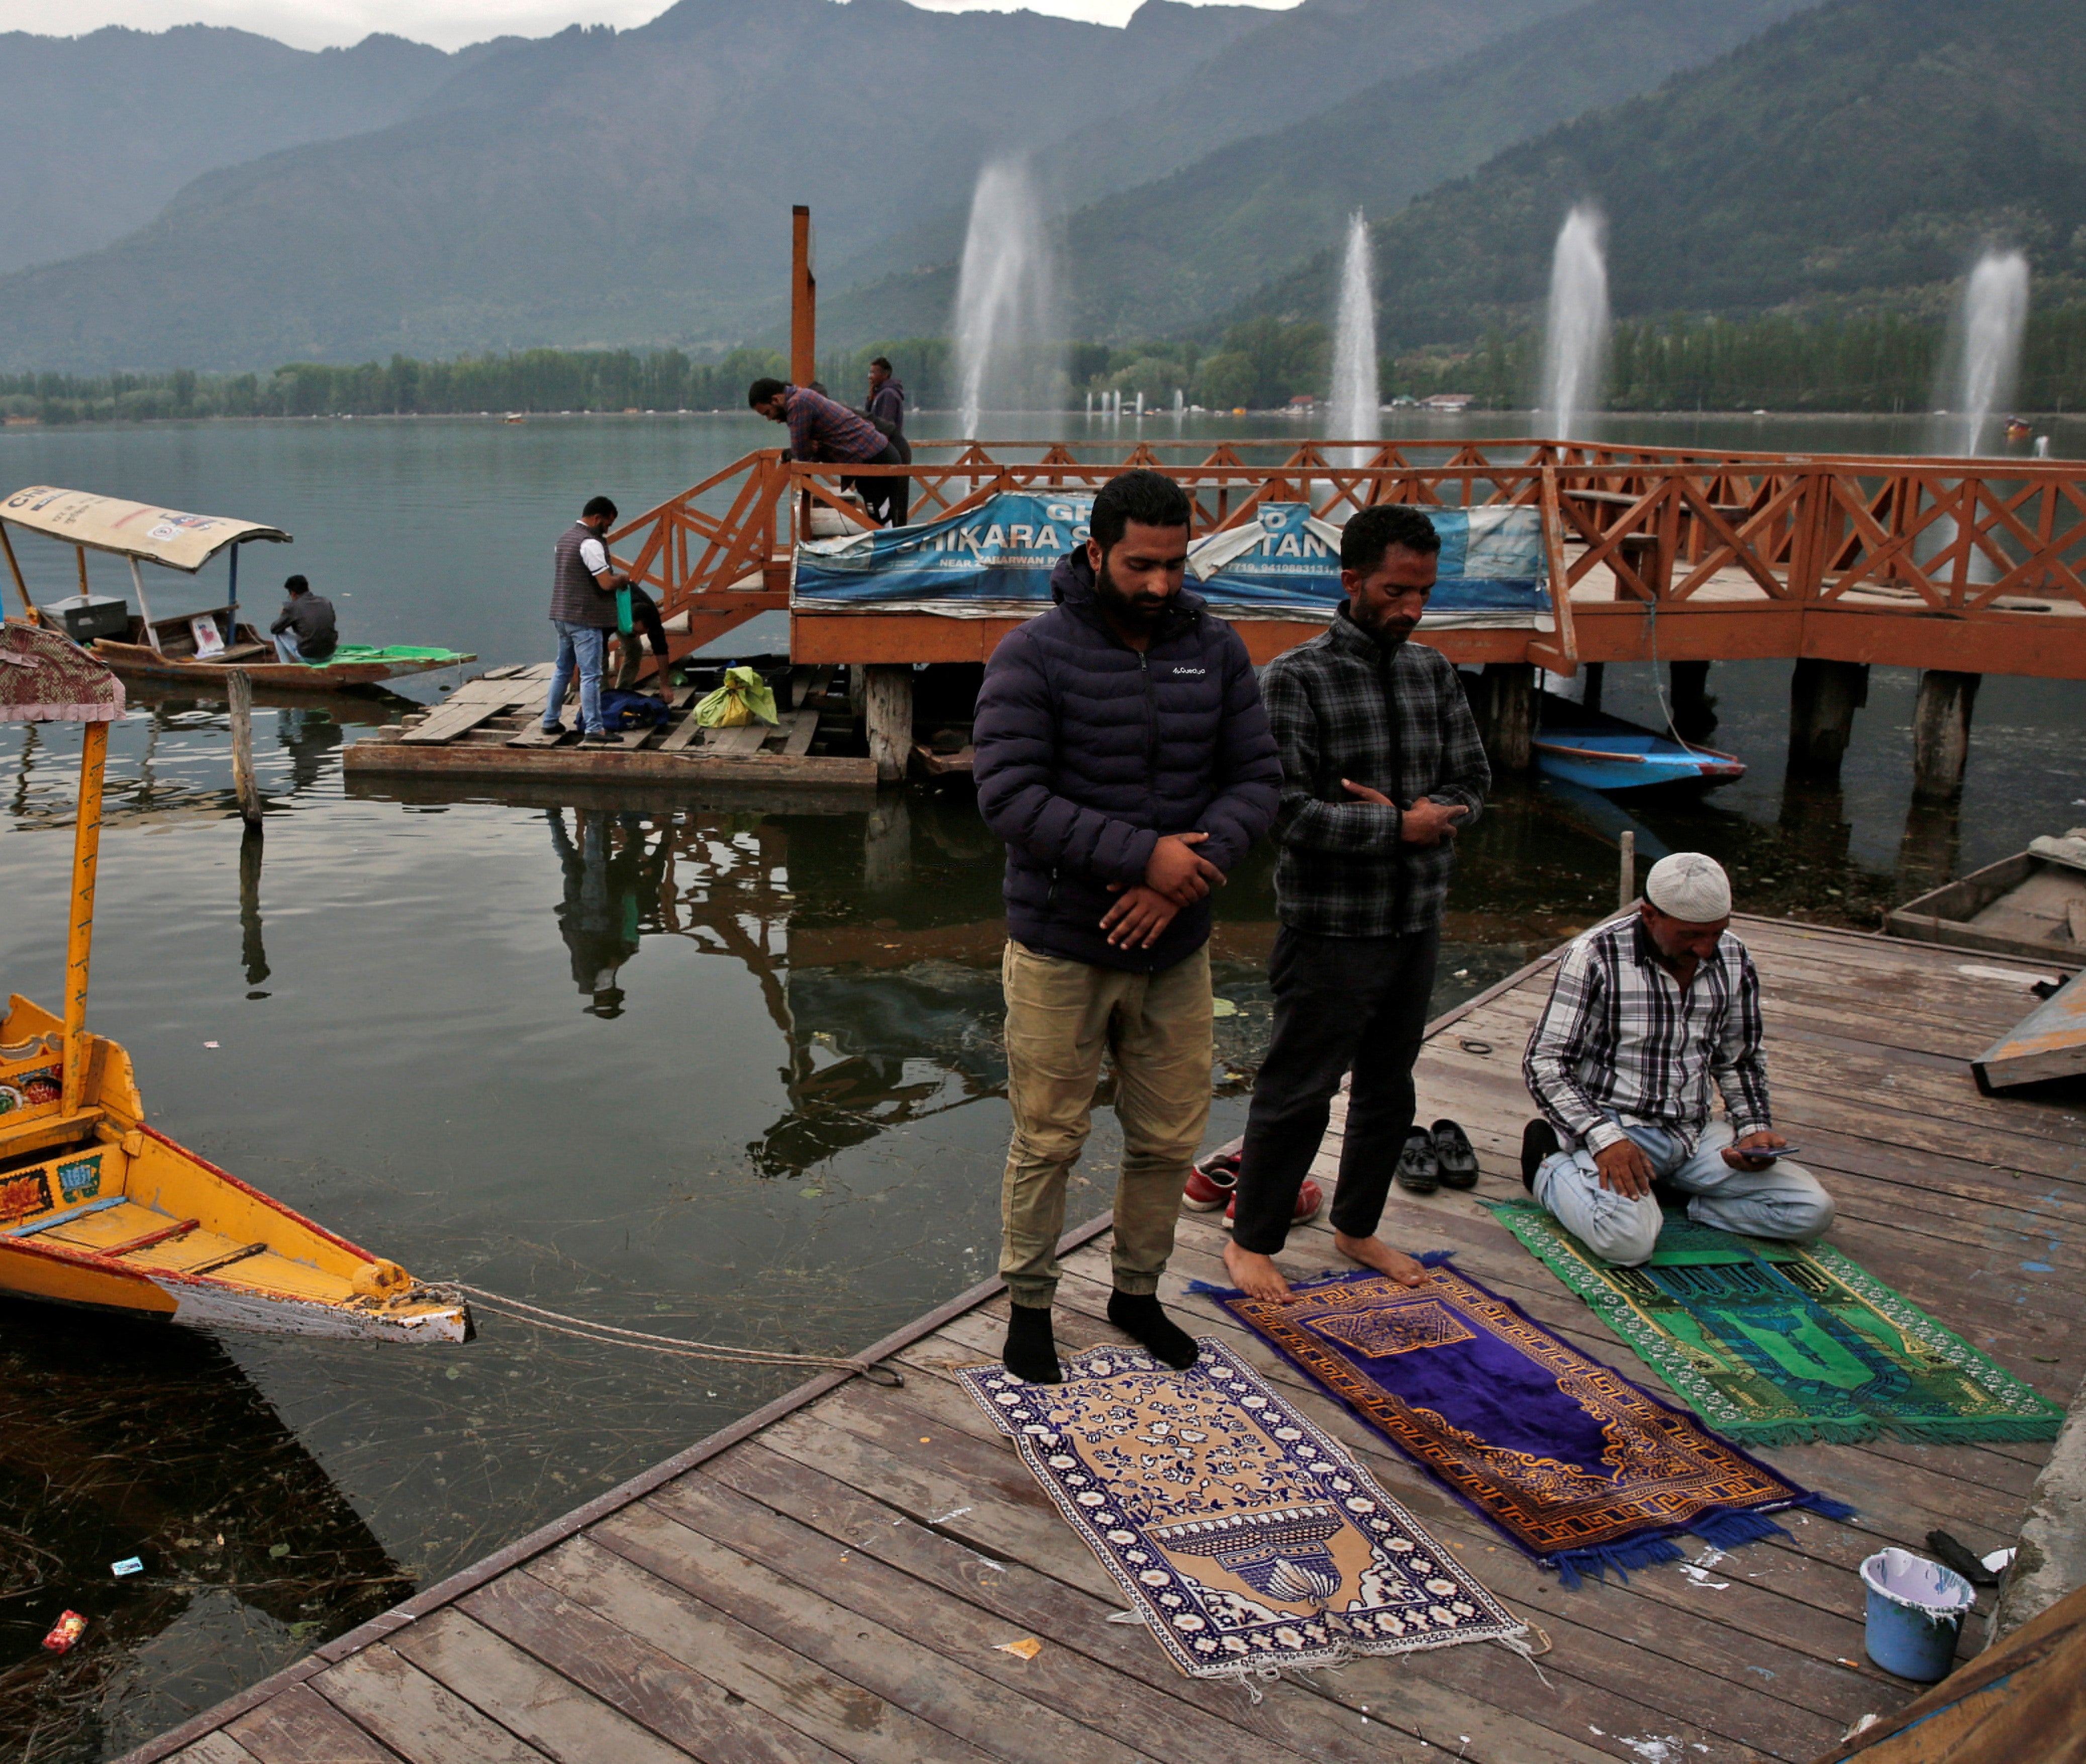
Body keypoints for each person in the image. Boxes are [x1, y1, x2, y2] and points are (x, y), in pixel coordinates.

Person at [973, 468, 1282, 1384]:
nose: (1159, 585)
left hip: (1174, 947)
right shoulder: (1031, 654)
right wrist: (1141, 857)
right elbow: (1008, 796)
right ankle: (1028, 1302)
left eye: (1174, 566)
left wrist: (1180, 880)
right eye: (1141, 566)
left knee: (1165, 1136)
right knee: (1048, 1137)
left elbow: (1255, 781)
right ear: (1096, 551)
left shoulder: (1215, 651)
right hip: (1061, 946)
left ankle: (1134, 1294)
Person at [1219, 503, 1491, 1303]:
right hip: (1330, 926)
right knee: (1298, 1088)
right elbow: (1282, 811)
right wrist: (1394, 826)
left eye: (1424, 592)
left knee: (1390, 1085)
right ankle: (1251, 1238)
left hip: (1416, 919)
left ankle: (1356, 1223)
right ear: (1350, 581)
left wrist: (1439, 816)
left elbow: (1472, 782)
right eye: (1396, 590)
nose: (1411, 607)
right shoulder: (1297, 678)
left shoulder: (1431, 671)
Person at [1520, 851, 1836, 1266]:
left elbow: (1738, 1058)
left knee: (1812, 1211)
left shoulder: (1733, 956)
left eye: (1716, 933)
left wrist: (1753, 1130)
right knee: (1627, 1246)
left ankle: (1670, 1198)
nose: (1706, 949)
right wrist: (1603, 1139)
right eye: (1690, 935)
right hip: (1616, 1127)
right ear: (1649, 915)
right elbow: (1544, 1062)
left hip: (1694, 1133)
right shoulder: (1594, 956)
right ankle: (1547, 1166)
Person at [747, 377, 906, 528]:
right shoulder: (803, 396)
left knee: (884, 519)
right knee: (878, 516)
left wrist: (803, 449)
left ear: (776, 400)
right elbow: (804, 449)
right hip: (872, 457)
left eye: (768, 413)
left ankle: (892, 554)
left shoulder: (798, 404)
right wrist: (806, 447)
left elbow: (802, 455)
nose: (770, 419)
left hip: (877, 459)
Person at [545, 495, 627, 747]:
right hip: (585, 619)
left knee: (563, 669)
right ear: (597, 518)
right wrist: (622, 580)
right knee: (591, 674)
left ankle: (550, 721)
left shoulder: (565, 539)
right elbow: (605, 583)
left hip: (562, 615)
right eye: (607, 524)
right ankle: (594, 729)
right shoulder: (590, 543)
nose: (607, 530)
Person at [866, 357, 911, 527]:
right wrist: (870, 397)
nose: (870, 376)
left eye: (874, 372)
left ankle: (896, 535)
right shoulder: (879, 394)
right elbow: (868, 419)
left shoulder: (889, 395)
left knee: (895, 498)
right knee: (888, 498)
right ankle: (888, 531)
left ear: (885, 375)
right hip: (888, 450)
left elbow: (884, 427)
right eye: (869, 372)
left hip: (894, 451)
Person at [608, 581, 671, 697]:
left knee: (635, 648)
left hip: (627, 615)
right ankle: (601, 694)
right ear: (630, 622)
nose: (638, 636)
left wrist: (665, 685)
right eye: (636, 632)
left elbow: (661, 650)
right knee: (599, 653)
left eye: (642, 634)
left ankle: (623, 691)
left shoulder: (652, 617)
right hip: (604, 607)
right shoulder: (613, 610)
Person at [268, 575, 337, 664]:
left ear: (293, 593)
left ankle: (286, 666)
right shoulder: (326, 602)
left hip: (310, 658)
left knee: (277, 634)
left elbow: (274, 629)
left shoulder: (293, 607)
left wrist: (283, 614)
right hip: (329, 654)